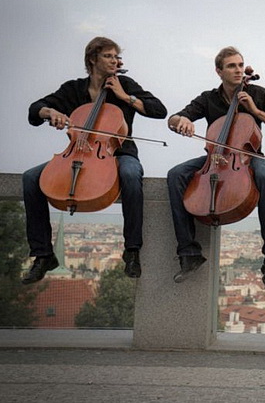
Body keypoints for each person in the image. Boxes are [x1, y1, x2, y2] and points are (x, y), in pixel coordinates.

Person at [21, 37, 167, 284]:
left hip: (120, 153)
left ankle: (132, 250)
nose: (115, 61)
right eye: (109, 56)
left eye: (116, 57)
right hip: (78, 151)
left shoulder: (125, 84)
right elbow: (35, 110)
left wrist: (125, 96)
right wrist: (51, 112)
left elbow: (158, 110)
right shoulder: (73, 89)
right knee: (31, 178)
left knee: (131, 176)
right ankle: (43, 254)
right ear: (92, 59)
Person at [167, 46, 265, 287]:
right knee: (176, 175)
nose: (238, 70)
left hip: (249, 157)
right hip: (215, 158)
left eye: (240, 65)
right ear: (219, 71)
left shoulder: (258, 93)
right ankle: (189, 252)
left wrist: (254, 110)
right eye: (232, 66)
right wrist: (180, 120)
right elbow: (173, 119)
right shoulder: (208, 98)